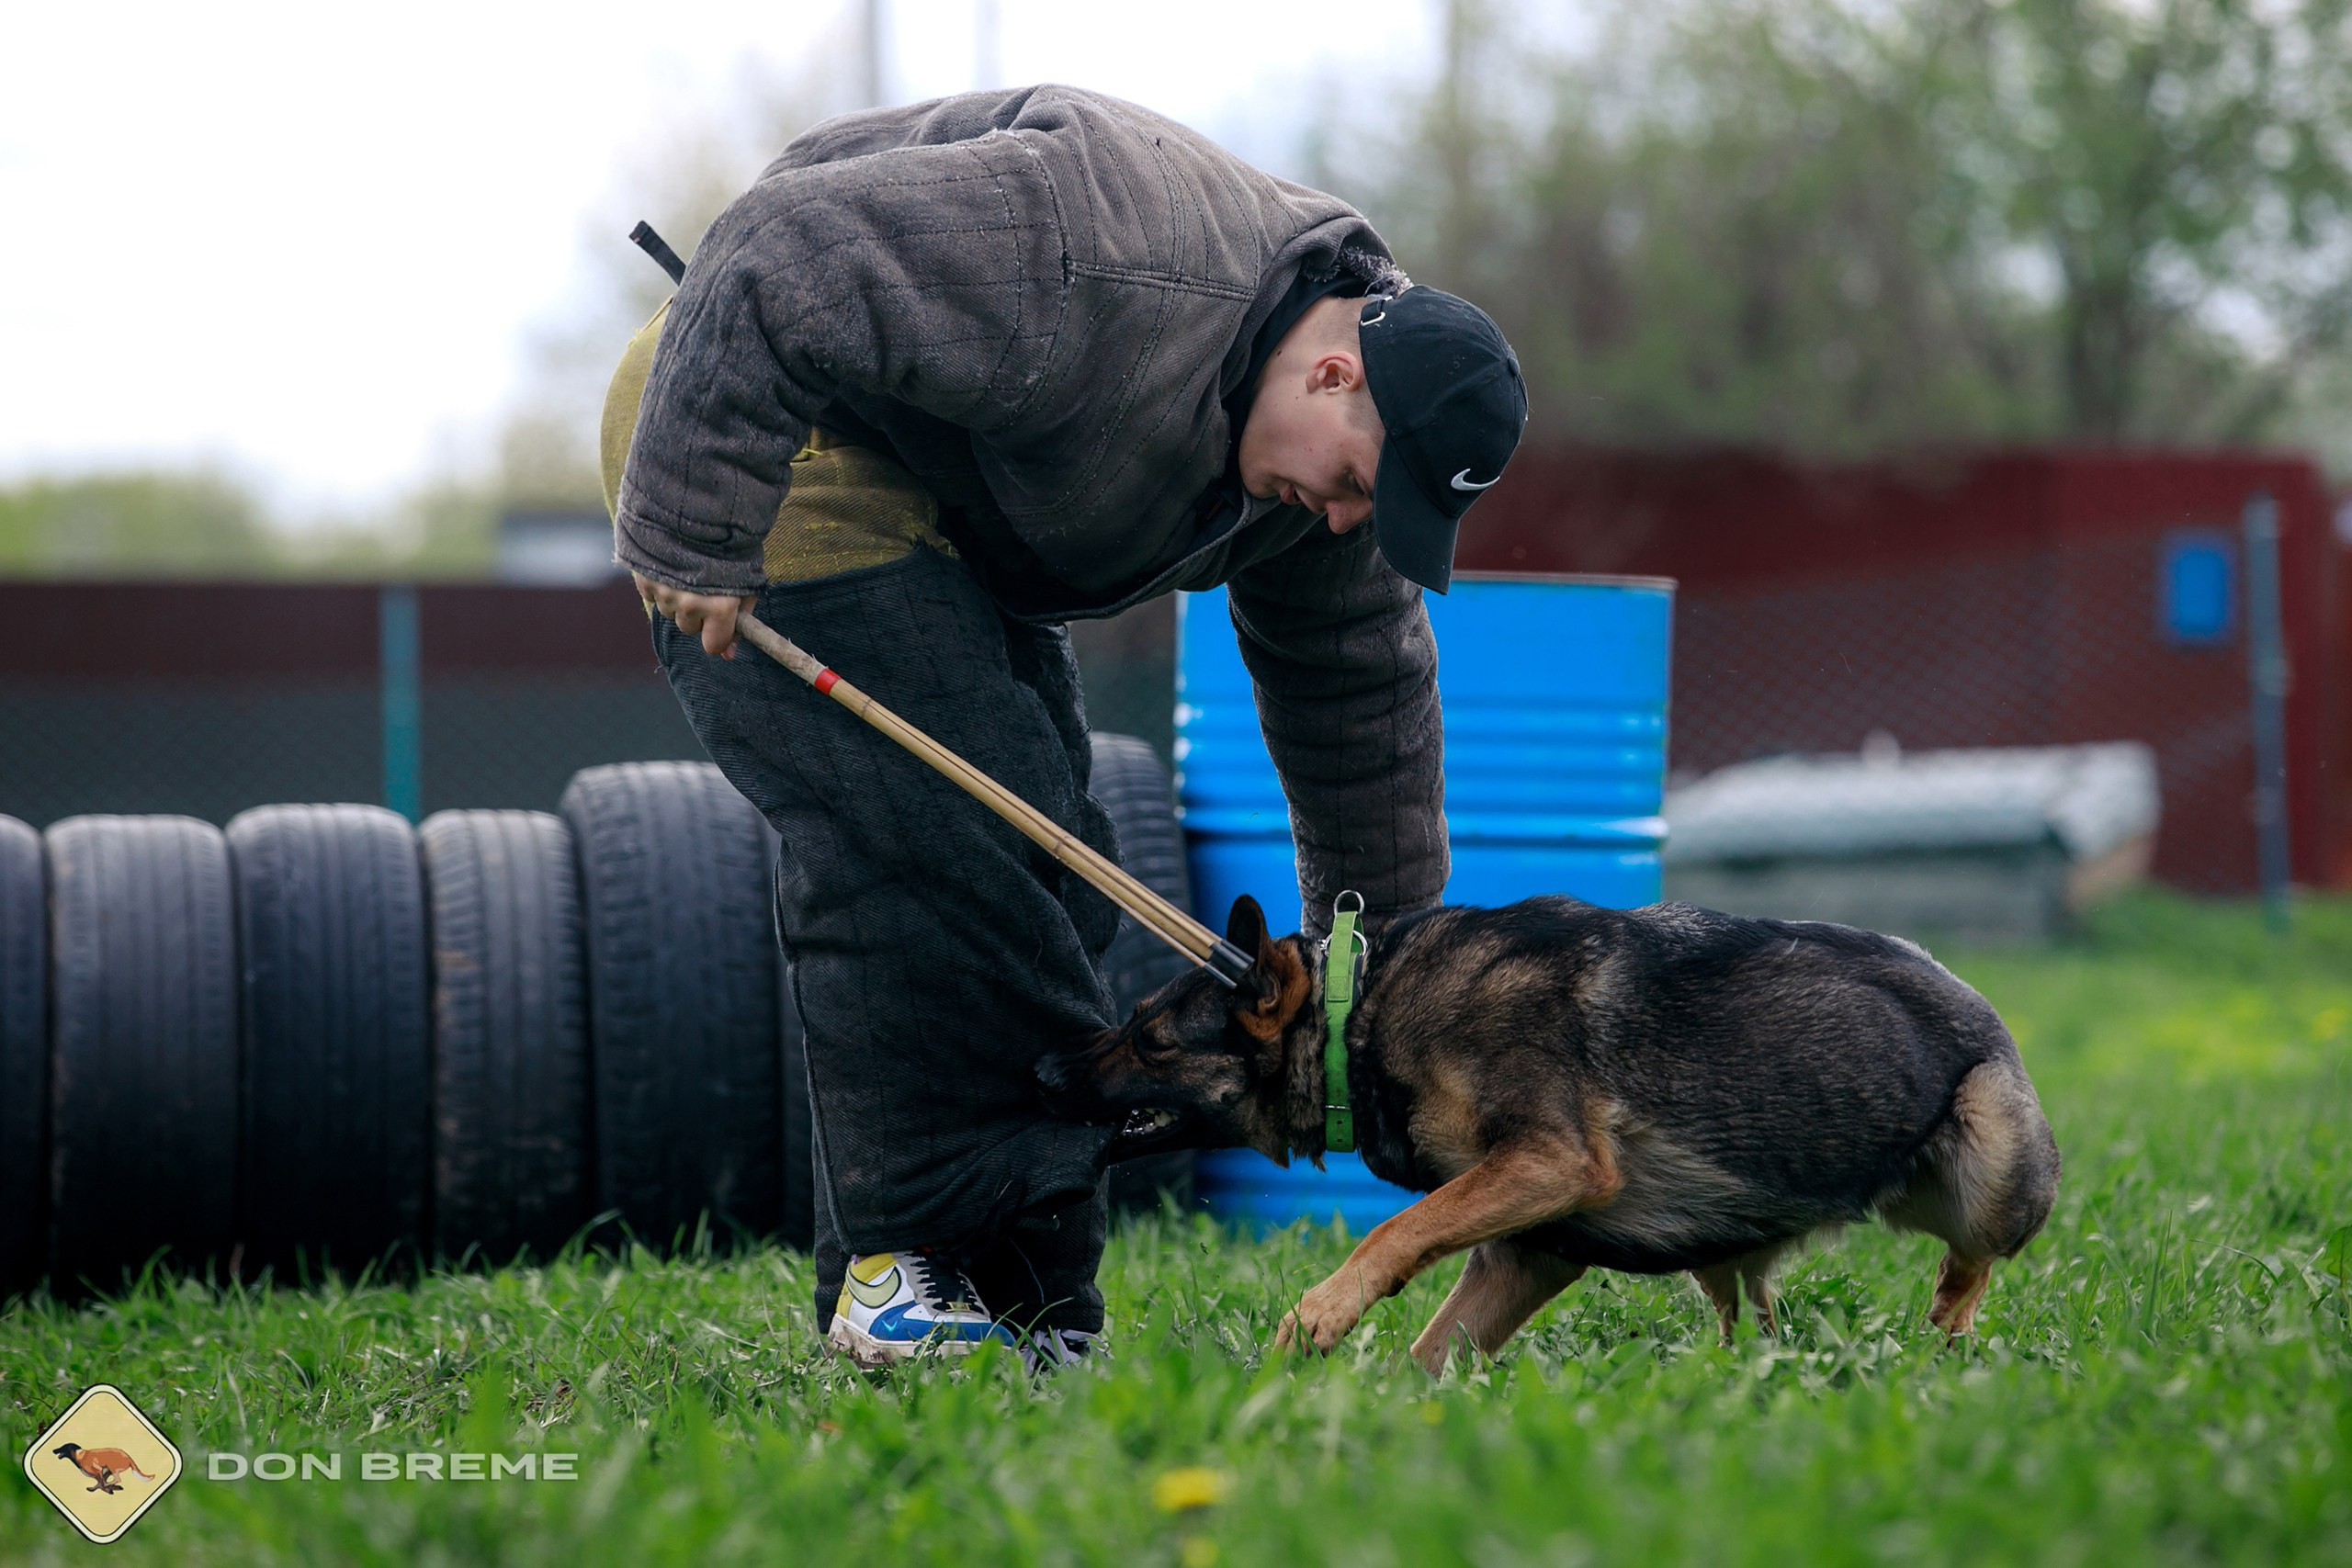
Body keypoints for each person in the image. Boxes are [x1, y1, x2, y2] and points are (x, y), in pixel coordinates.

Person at [601, 85, 1525, 1369]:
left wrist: (1382, 978)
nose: (1345, 520)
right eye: (1359, 485)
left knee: (1051, 862)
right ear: (1332, 373)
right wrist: (699, 515)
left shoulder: (1339, 468)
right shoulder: (1105, 254)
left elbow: (1359, 697)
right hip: (770, 428)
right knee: (953, 852)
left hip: (958, 504)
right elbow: (784, 252)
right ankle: (905, 1291)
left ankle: (1025, 1318)